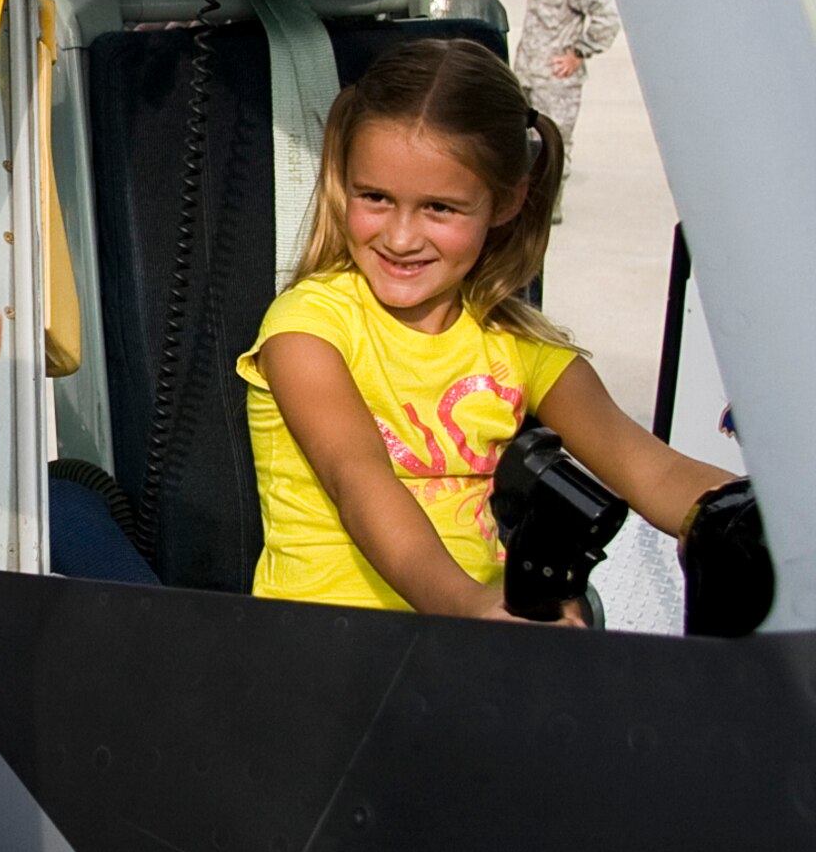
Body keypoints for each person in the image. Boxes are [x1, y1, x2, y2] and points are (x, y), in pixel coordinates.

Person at [235, 40, 733, 619]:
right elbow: (360, 481)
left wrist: (754, 520)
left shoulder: (518, 346)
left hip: (471, 643)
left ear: (505, 202)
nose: (400, 237)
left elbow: (653, 468)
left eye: (439, 208)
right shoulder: (307, 331)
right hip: (327, 644)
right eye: (375, 198)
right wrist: (467, 605)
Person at [516, 0, 620, 207]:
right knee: (527, 144)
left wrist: (578, 53)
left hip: (555, 80)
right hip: (529, 72)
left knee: (554, 143)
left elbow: (607, 18)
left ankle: (550, 205)